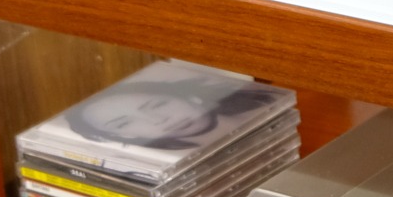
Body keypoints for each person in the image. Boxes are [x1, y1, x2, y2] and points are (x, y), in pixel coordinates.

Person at [64, 72, 278, 150]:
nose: (157, 119)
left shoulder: (277, 110)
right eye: (123, 123)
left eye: (158, 105)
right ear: (125, 136)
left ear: (189, 96)